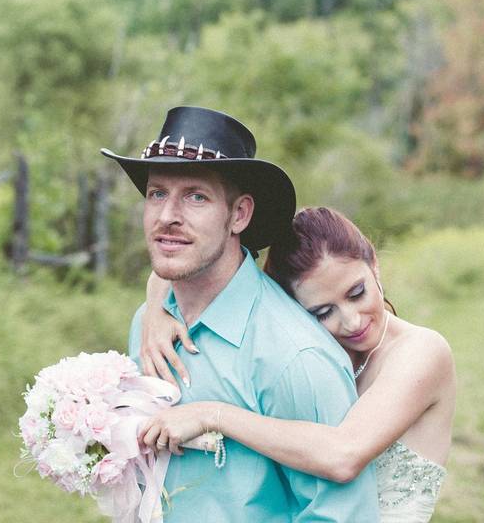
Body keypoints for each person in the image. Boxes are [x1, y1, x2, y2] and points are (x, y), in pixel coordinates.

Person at [101, 106, 379, 522]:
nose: (167, 216)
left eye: (196, 196)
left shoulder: (294, 356)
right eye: (157, 193)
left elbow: (343, 514)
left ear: (239, 215)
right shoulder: (148, 322)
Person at [138, 206, 456, 522]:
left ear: (374, 264)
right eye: (323, 312)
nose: (352, 321)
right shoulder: (309, 353)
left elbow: (344, 456)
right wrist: (157, 307)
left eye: (356, 293)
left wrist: (213, 415)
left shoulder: (421, 352)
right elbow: (183, 268)